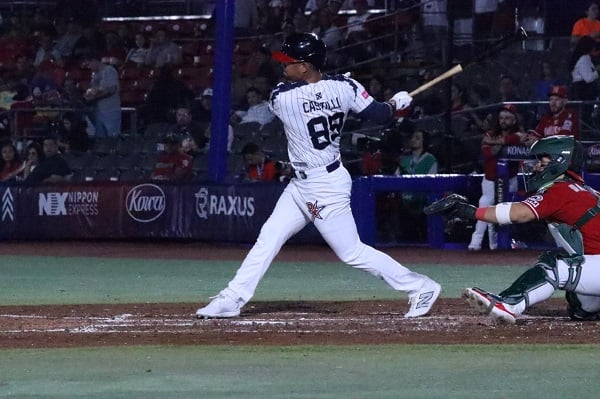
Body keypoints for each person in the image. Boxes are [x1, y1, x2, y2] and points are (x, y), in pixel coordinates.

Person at [196, 32, 441, 319]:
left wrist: (332, 87)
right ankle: (232, 298)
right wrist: (395, 103)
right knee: (269, 237)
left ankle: (420, 286)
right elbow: (379, 115)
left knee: (351, 252)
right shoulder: (345, 86)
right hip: (303, 183)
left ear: (305, 67)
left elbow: (308, 95)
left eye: (290, 62)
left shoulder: (283, 97)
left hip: (323, 187)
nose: (283, 67)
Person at [431, 136, 600, 324]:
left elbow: (518, 213)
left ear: (559, 162)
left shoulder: (560, 189)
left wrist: (468, 211)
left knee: (553, 266)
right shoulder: (583, 190)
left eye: (542, 162)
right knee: (579, 304)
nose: (536, 167)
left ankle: (509, 305)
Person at [468, 105, 525, 251]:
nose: (503, 121)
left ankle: (498, 244)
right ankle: (476, 243)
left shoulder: (518, 134)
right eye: (501, 118)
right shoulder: (490, 133)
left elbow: (519, 137)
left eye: (507, 118)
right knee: (484, 205)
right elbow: (489, 153)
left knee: (504, 213)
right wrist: (501, 142)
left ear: (514, 119)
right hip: (490, 180)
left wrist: (496, 141)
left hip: (510, 180)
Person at [82, 52, 121, 137]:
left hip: (111, 111)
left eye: (89, 64)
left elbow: (112, 90)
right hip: (99, 112)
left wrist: (94, 97)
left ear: (94, 61)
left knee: (112, 138)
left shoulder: (109, 70)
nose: (89, 67)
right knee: (99, 139)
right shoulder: (94, 75)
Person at [569, 35, 599, 101]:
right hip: (583, 90)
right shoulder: (584, 58)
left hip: (579, 89)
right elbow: (588, 78)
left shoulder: (578, 57)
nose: (594, 48)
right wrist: (598, 71)